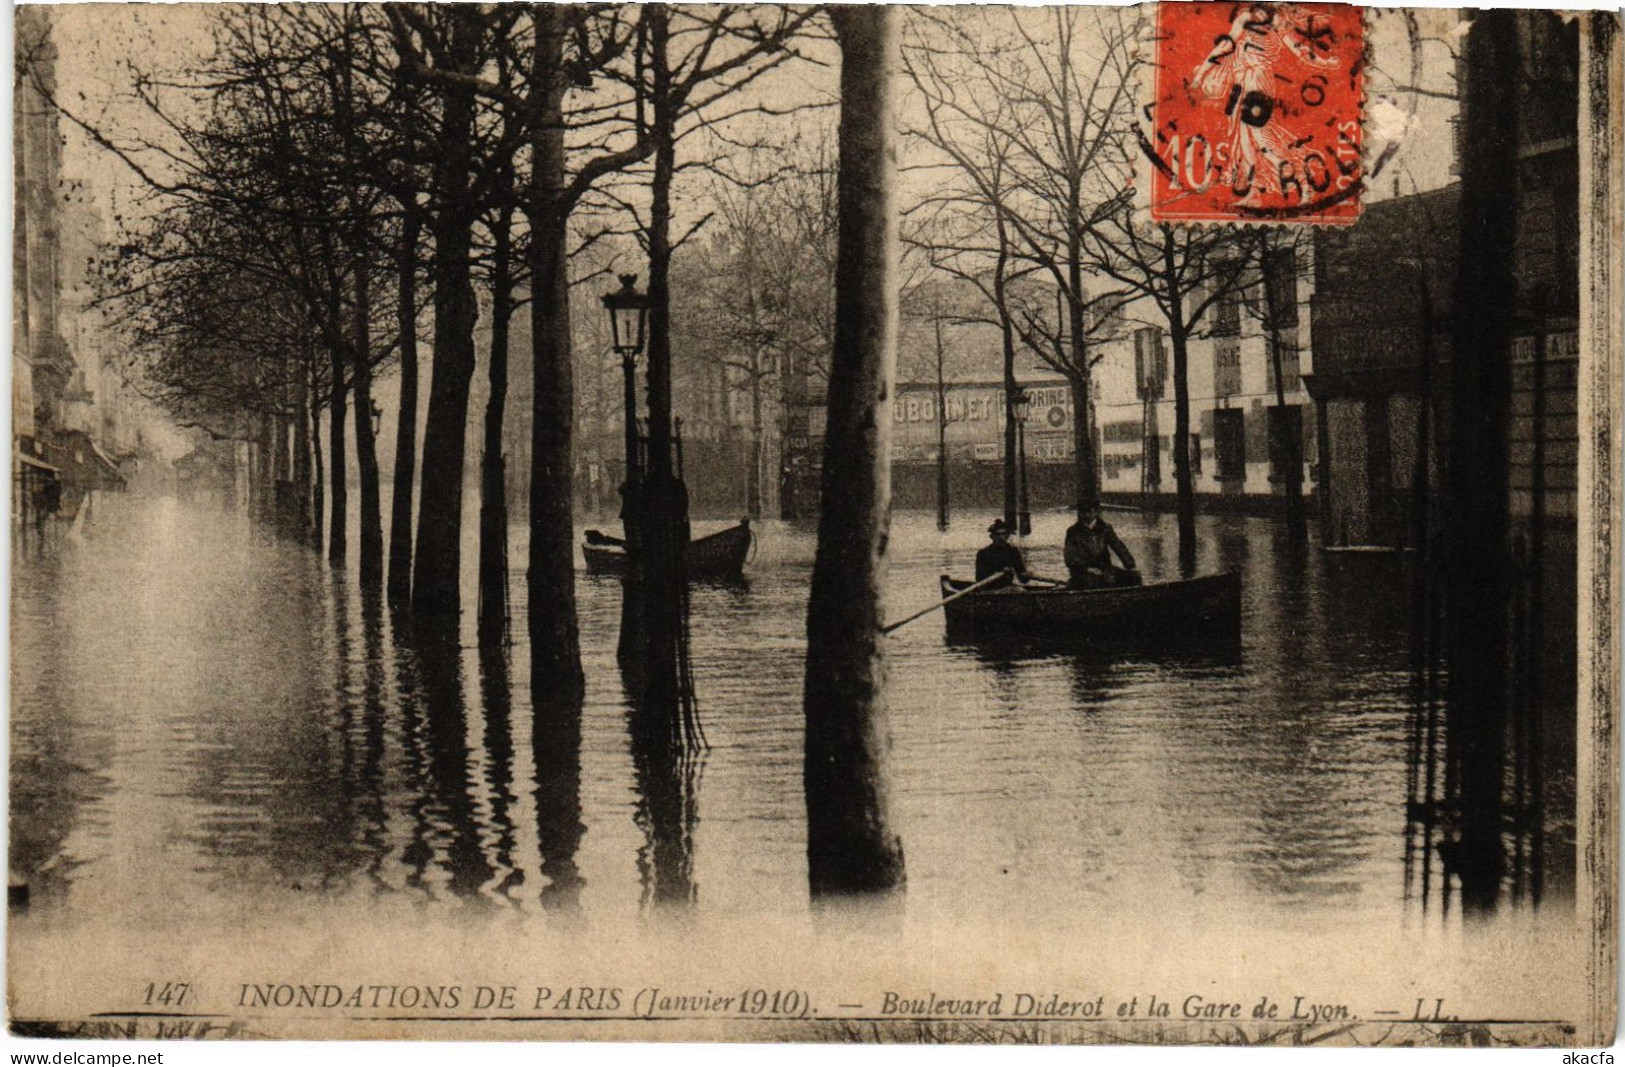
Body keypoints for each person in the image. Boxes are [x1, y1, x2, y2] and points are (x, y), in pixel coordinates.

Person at [1064, 502, 1141, 588]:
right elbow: (1069, 558)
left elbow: (1118, 547)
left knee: (1134, 576)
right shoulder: (1073, 532)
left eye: (1089, 512)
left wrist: (1131, 565)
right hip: (1082, 572)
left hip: (1105, 570)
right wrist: (1086, 569)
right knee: (1094, 580)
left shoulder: (1105, 528)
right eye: (1083, 512)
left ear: (1096, 512)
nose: (1086, 515)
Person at [975, 519, 1030, 588]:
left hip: (1008, 588)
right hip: (989, 589)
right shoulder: (983, 553)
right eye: (998, 534)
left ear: (1008, 536)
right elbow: (979, 579)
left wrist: (1026, 575)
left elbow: (1023, 580)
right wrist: (998, 572)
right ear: (992, 537)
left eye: (1004, 534)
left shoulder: (1013, 551)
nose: (1001, 537)